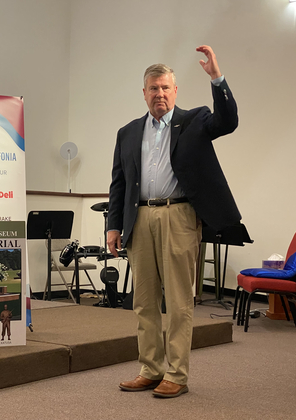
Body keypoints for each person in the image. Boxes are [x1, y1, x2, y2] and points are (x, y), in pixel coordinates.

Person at [107, 45, 241, 398]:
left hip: (179, 216)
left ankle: (177, 375)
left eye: (166, 87)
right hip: (141, 218)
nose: (160, 94)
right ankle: (151, 369)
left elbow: (228, 121)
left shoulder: (194, 120)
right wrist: (113, 225)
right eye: (154, 88)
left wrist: (217, 77)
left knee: (179, 301)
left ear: (175, 91)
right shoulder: (128, 132)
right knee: (144, 302)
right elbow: (119, 182)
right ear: (144, 92)